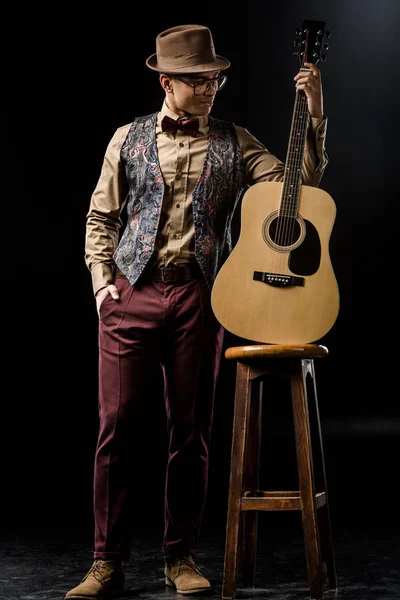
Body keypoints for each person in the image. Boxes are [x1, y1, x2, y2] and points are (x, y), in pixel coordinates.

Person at [65, 23, 328, 599]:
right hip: (130, 295)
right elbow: (100, 219)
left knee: (191, 432)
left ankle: (179, 556)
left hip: (199, 298)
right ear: (167, 82)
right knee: (117, 430)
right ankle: (106, 562)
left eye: (215, 78)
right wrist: (102, 284)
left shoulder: (237, 141)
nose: (210, 88)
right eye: (197, 80)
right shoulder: (126, 138)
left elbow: (297, 189)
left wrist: (312, 115)